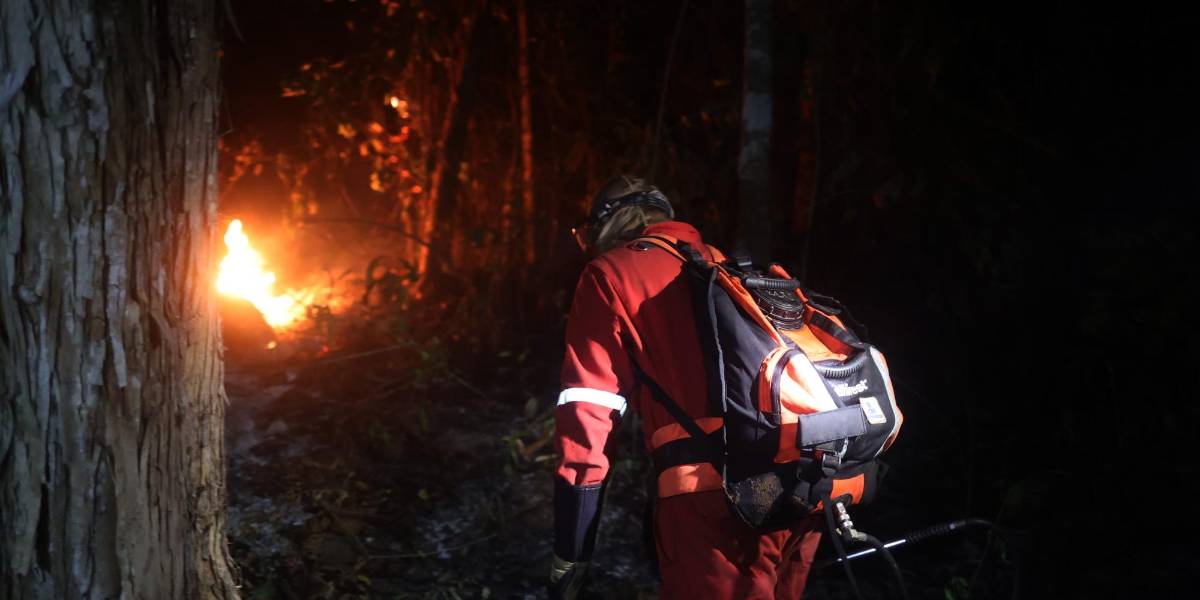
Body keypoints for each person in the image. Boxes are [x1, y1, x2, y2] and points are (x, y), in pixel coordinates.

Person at [548, 176, 824, 599]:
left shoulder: (610, 274)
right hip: (804, 479)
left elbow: (587, 414)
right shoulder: (724, 263)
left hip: (717, 496)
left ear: (605, 226)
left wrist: (572, 549)